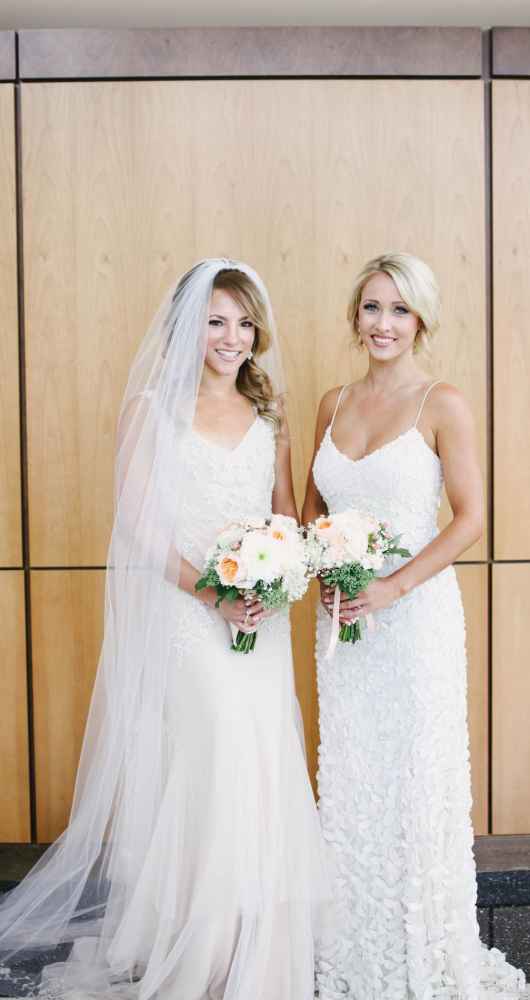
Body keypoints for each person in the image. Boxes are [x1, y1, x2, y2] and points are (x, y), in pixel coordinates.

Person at [0, 258, 331, 1000]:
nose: (232, 337)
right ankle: (200, 946)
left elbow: (284, 514)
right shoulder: (152, 408)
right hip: (191, 616)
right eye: (216, 320)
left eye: (245, 322)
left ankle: (257, 947)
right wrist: (213, 592)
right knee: (210, 763)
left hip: (258, 621)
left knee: (260, 762)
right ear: (187, 325)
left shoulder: (270, 415)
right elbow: (141, 527)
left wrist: (279, 576)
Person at [302, 251, 529, 999]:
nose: (384, 324)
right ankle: (354, 950)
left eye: (399, 310)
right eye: (372, 307)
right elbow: (312, 509)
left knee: (413, 782)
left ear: (421, 319)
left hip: (415, 619)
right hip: (345, 628)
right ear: (354, 315)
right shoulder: (331, 402)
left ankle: (422, 955)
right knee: (355, 781)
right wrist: (320, 563)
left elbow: (471, 519)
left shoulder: (444, 403)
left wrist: (391, 585)